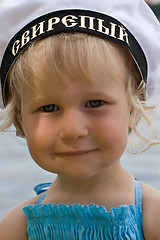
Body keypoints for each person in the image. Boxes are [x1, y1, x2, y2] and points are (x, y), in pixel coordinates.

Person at [0, 0, 160, 239]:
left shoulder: (152, 215)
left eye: (95, 103)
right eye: (49, 107)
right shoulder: (15, 227)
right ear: (20, 121)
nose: (73, 130)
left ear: (133, 109)